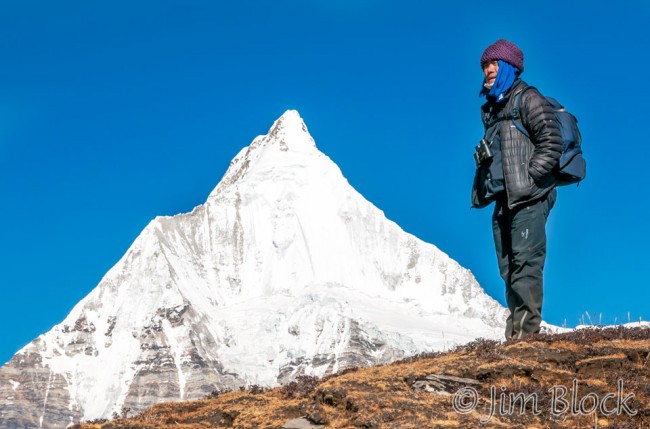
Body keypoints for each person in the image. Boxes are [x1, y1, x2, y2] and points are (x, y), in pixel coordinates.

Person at [471, 39, 563, 339]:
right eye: (485, 65)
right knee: (508, 268)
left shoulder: (528, 98)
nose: (488, 70)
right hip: (504, 199)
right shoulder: (493, 111)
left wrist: (532, 177)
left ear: (509, 66)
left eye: (493, 63)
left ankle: (527, 337)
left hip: (530, 196)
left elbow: (551, 141)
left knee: (526, 263)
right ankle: (516, 337)